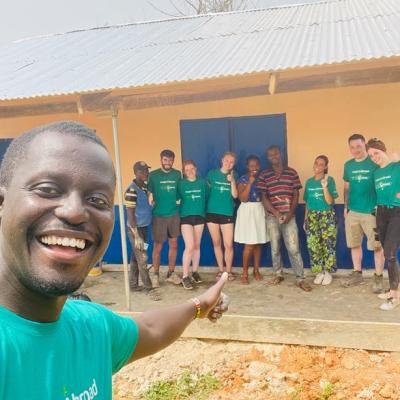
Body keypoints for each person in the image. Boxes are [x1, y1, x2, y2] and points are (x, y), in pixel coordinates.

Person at [0, 121, 229, 399]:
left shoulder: (92, 327)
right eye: (48, 189)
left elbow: (150, 328)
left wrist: (200, 305)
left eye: (97, 200)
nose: (74, 212)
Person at [256, 145, 312, 292]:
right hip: (272, 217)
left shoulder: (291, 172)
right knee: (275, 248)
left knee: (294, 248)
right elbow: (264, 197)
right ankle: (278, 274)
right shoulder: (264, 175)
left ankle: (300, 278)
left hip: (289, 216)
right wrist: (276, 213)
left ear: (280, 154)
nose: (273, 156)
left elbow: (296, 195)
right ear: (268, 158)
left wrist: (289, 213)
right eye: (270, 155)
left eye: (275, 153)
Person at [342, 134, 385, 292]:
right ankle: (357, 273)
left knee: (377, 246)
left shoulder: (374, 163)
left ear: (364, 145)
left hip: (372, 212)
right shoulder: (348, 165)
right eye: (352, 147)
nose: (355, 150)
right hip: (353, 212)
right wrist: (346, 207)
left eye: (358, 146)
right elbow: (346, 187)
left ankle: (378, 277)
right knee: (354, 244)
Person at [367, 138, 400, 310]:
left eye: (376, 153)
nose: (374, 157)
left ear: (383, 150)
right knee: (387, 254)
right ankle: (393, 289)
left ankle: (394, 297)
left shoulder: (397, 165)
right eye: (371, 155)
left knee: (391, 253)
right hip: (381, 213)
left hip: (396, 212)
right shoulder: (376, 173)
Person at [124, 161, 161, 301]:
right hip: (136, 230)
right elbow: (130, 215)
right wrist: (137, 236)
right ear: (136, 173)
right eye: (143, 171)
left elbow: (141, 208)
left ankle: (133, 285)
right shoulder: (131, 190)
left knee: (136, 257)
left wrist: (150, 206)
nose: (147, 173)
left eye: (147, 170)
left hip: (144, 228)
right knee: (143, 258)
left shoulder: (143, 187)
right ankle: (148, 288)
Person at [148, 149, 182, 287]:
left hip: (173, 214)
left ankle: (171, 273)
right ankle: (155, 274)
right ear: (161, 160)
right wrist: (150, 200)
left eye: (170, 160)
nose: (168, 162)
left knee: (174, 244)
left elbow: (180, 192)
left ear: (173, 160)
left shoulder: (177, 174)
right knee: (158, 246)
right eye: (165, 159)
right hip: (159, 215)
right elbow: (148, 192)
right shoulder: (153, 175)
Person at [303, 155, 338, 286]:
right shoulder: (309, 182)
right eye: (316, 163)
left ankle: (328, 272)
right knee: (313, 244)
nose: (318, 166)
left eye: (321, 164)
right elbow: (307, 202)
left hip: (326, 215)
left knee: (328, 244)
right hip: (312, 216)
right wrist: (305, 219)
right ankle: (319, 272)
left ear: (326, 167)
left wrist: (324, 187)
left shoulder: (330, 180)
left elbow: (330, 201)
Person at [234, 155, 268, 284]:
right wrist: (250, 183)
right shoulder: (242, 179)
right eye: (251, 165)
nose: (254, 168)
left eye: (256, 165)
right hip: (247, 211)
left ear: (259, 166)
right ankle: (244, 273)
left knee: (258, 242)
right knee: (249, 244)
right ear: (247, 166)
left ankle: (256, 270)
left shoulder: (262, 179)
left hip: (259, 210)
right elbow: (242, 198)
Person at [206, 152, 238, 281]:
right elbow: (207, 193)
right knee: (216, 242)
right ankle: (221, 270)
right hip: (212, 212)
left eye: (231, 162)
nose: (228, 164)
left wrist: (232, 181)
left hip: (227, 213)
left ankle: (228, 271)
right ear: (222, 160)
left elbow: (235, 195)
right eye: (226, 161)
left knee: (228, 244)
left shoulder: (234, 175)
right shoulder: (212, 174)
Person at [178, 160, 208, 290]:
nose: (190, 171)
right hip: (186, 218)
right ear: (184, 172)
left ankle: (195, 272)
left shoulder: (202, 182)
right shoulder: (181, 184)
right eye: (187, 169)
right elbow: (176, 198)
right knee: (189, 246)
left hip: (199, 217)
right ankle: (185, 276)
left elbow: (206, 197)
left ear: (196, 168)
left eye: (192, 169)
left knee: (196, 246)